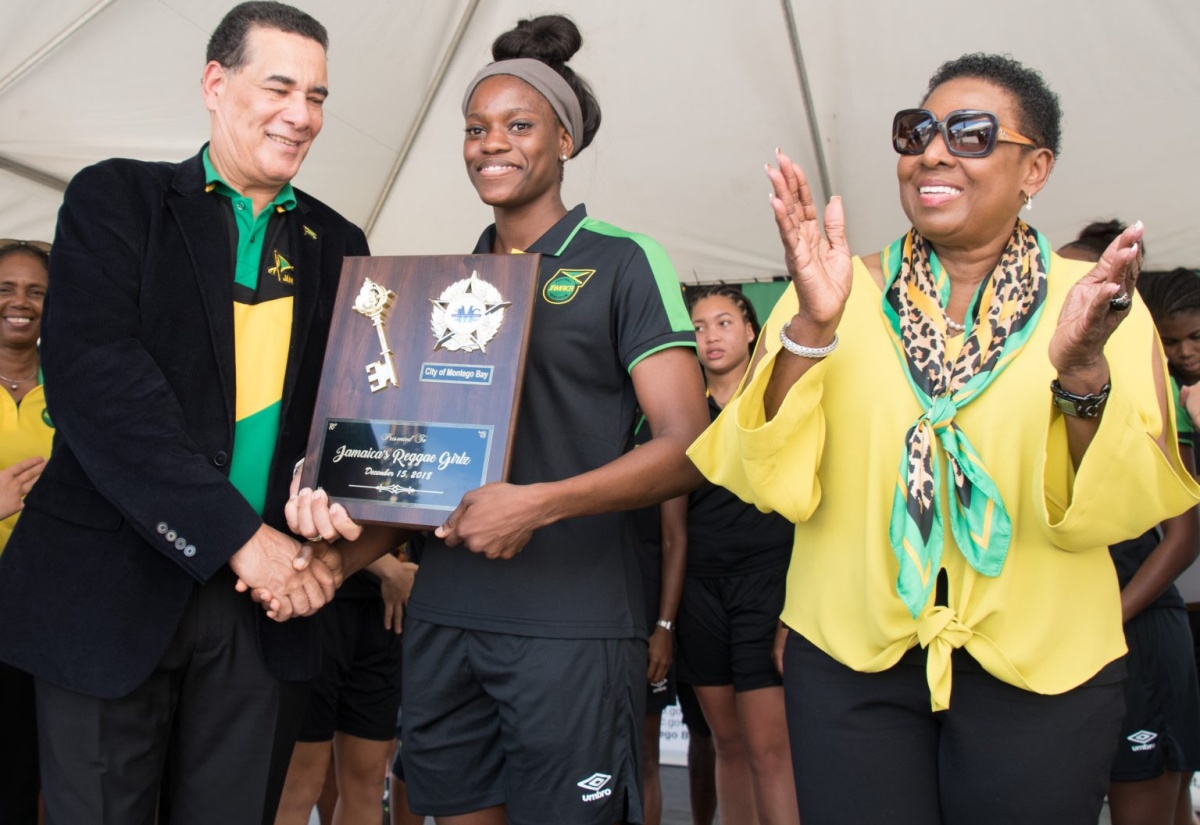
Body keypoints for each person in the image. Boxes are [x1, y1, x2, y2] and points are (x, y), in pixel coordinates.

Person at [689, 53, 1200, 825]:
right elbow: (764, 472)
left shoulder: (1098, 305)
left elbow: (1122, 503)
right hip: (855, 659)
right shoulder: (833, 290)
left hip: (1042, 666)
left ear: (1037, 167)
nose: (932, 150)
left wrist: (1084, 372)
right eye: (917, 131)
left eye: (969, 134)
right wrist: (809, 331)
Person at [286, 14, 708, 825]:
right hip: (448, 619)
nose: (492, 144)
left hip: (573, 625)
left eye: (519, 126)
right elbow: (421, 477)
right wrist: (332, 568)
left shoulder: (621, 261)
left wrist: (540, 501)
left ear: (565, 141)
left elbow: (689, 447)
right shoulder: (444, 281)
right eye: (477, 128)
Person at [0, 3, 367, 822]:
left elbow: (341, 414)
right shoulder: (116, 199)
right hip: (108, 596)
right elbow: (101, 389)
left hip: (265, 613)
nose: (301, 115)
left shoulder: (339, 242)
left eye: (317, 96)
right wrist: (244, 540)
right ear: (214, 82)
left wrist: (328, 509)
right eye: (280, 87)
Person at [676, 284, 798, 825]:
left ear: (751, 330)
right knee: (725, 742)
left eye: (723, 322)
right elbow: (672, 523)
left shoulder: (777, 396)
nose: (711, 336)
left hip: (767, 585)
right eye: (699, 327)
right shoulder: (679, 412)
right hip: (700, 592)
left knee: (770, 749)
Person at [274, 550, 415, 825]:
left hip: (385, 610)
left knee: (368, 783)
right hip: (317, 603)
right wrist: (386, 567)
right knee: (300, 785)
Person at [0, 238, 51, 825]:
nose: (22, 302)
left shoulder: (74, 390)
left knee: (39, 770)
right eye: (8, 288)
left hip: (49, 616)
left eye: (36, 291)